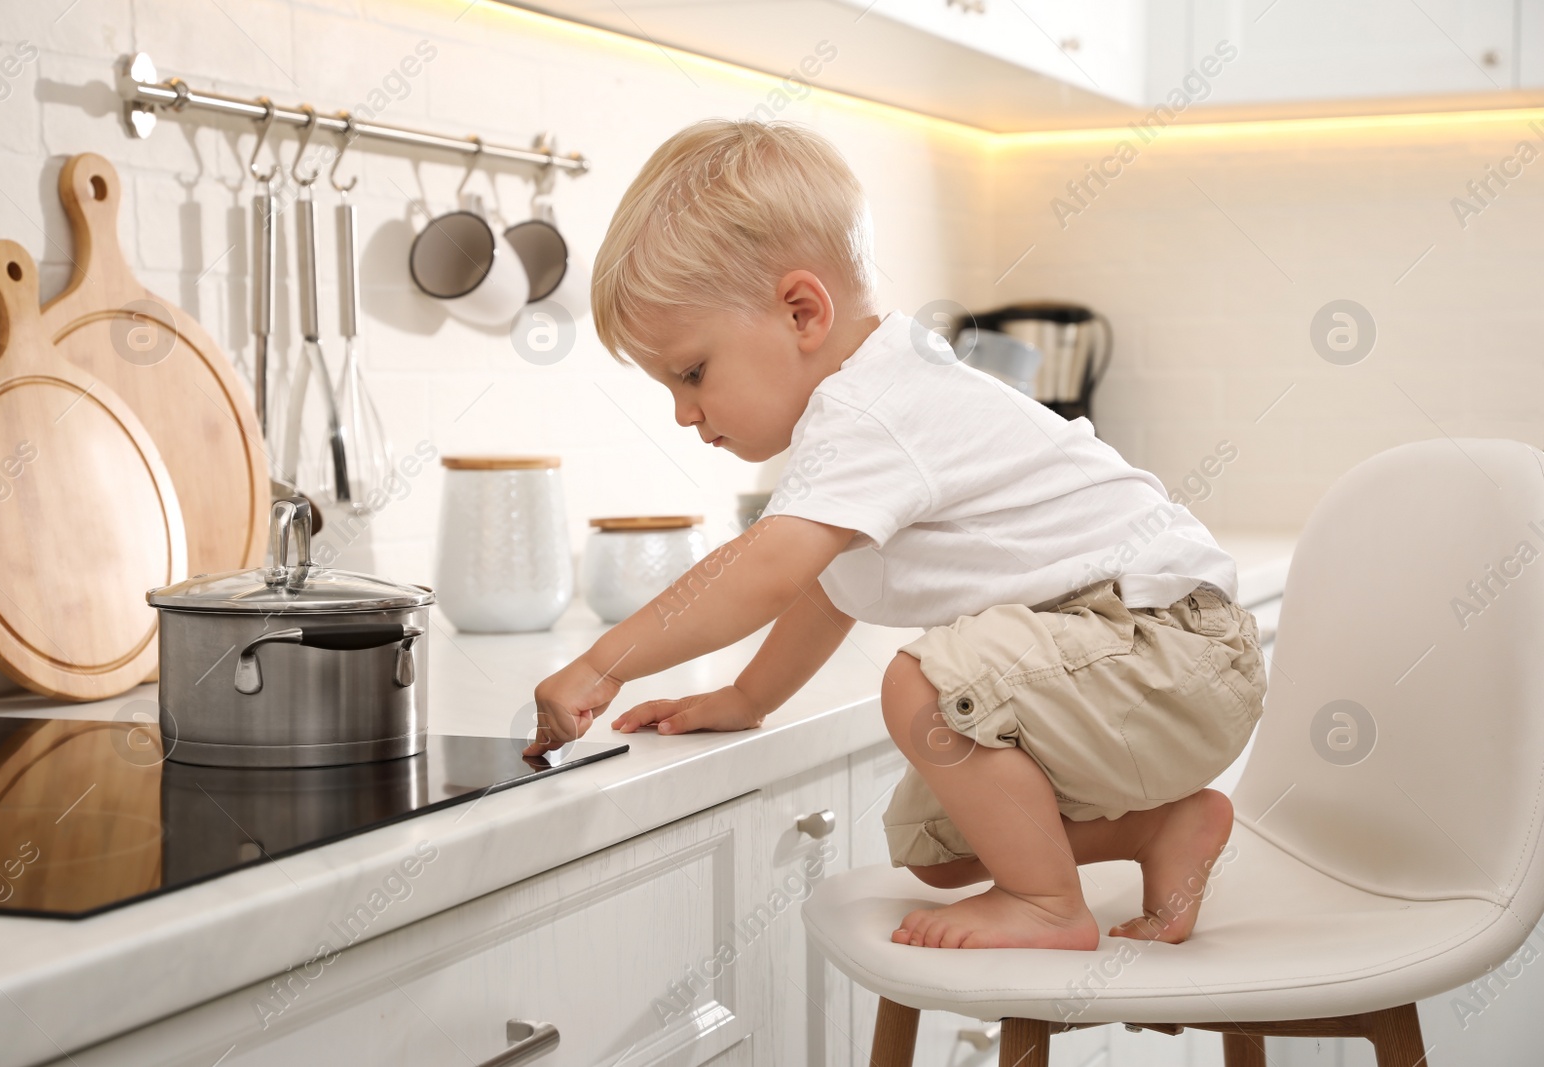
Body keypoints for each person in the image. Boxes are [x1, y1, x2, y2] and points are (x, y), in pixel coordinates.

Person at [527, 118, 1267, 951]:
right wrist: (748, 697)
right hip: (1151, 658)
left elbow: (770, 570)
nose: (684, 411)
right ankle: (1158, 830)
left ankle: (1047, 906)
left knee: (916, 684)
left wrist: (601, 664)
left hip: (1163, 645)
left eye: (692, 371)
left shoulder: (870, 409)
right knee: (941, 849)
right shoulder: (869, 406)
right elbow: (827, 584)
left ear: (802, 310)